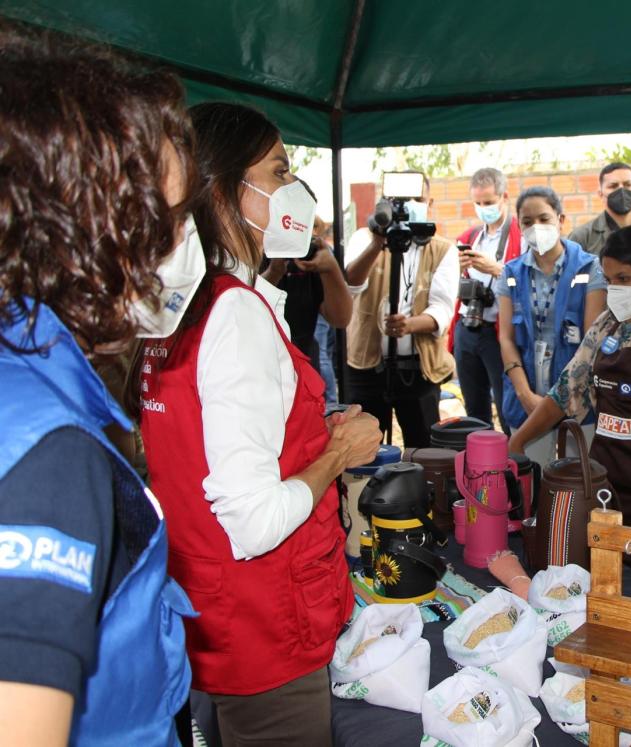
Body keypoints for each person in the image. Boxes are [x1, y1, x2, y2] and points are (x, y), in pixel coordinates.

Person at [140, 102, 382, 746]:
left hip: (212, 618)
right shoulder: (234, 314)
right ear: (222, 190)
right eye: (279, 173)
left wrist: (311, 426)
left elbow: (209, 438)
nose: (292, 190)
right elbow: (249, 521)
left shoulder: (179, 306)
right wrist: (336, 452)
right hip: (266, 632)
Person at [0, 24, 195, 745]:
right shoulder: (46, 456)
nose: (181, 248)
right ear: (87, 231)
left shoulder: (31, 381)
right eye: (165, 223)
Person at [509, 225, 631, 527]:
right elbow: (566, 390)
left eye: (624, 279)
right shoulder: (608, 325)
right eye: (608, 280)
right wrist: (517, 441)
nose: (614, 288)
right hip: (607, 479)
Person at [344, 173, 459, 447]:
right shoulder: (365, 238)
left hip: (418, 370)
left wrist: (410, 325)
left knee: (423, 450)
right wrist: (377, 242)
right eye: (401, 201)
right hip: (366, 367)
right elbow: (351, 283)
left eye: (417, 200)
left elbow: (442, 309)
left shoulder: (442, 249)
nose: (408, 207)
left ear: (428, 203)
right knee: (363, 451)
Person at [497, 187, 607, 467]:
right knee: (530, 484)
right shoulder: (511, 273)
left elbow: (590, 344)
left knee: (576, 486)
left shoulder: (590, 269)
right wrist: (525, 395)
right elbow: (506, 338)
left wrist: (555, 403)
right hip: (525, 398)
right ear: (519, 225)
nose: (536, 227)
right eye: (527, 221)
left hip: (577, 400)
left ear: (561, 219)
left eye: (544, 219)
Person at [452, 168, 523, 432]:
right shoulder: (469, 237)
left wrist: (495, 269)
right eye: (478, 203)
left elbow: (526, 285)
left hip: (500, 333)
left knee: (508, 408)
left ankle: (513, 464)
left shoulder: (521, 236)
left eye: (489, 203)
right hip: (467, 327)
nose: (484, 209)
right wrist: (456, 268)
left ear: (505, 197)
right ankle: (481, 465)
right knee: (474, 412)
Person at [262, 191, 352, 383]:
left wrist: (331, 269)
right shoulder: (257, 248)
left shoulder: (312, 255)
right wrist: (274, 272)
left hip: (303, 367)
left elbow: (341, 318)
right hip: (263, 368)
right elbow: (242, 305)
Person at [568, 162, 631, 256]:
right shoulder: (582, 237)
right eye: (613, 186)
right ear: (600, 193)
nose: (621, 190)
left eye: (628, 184)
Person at [311, 217, 340, 406]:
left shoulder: (322, 251)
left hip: (319, 308)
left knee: (321, 353)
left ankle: (329, 403)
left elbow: (342, 317)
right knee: (323, 353)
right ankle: (330, 401)